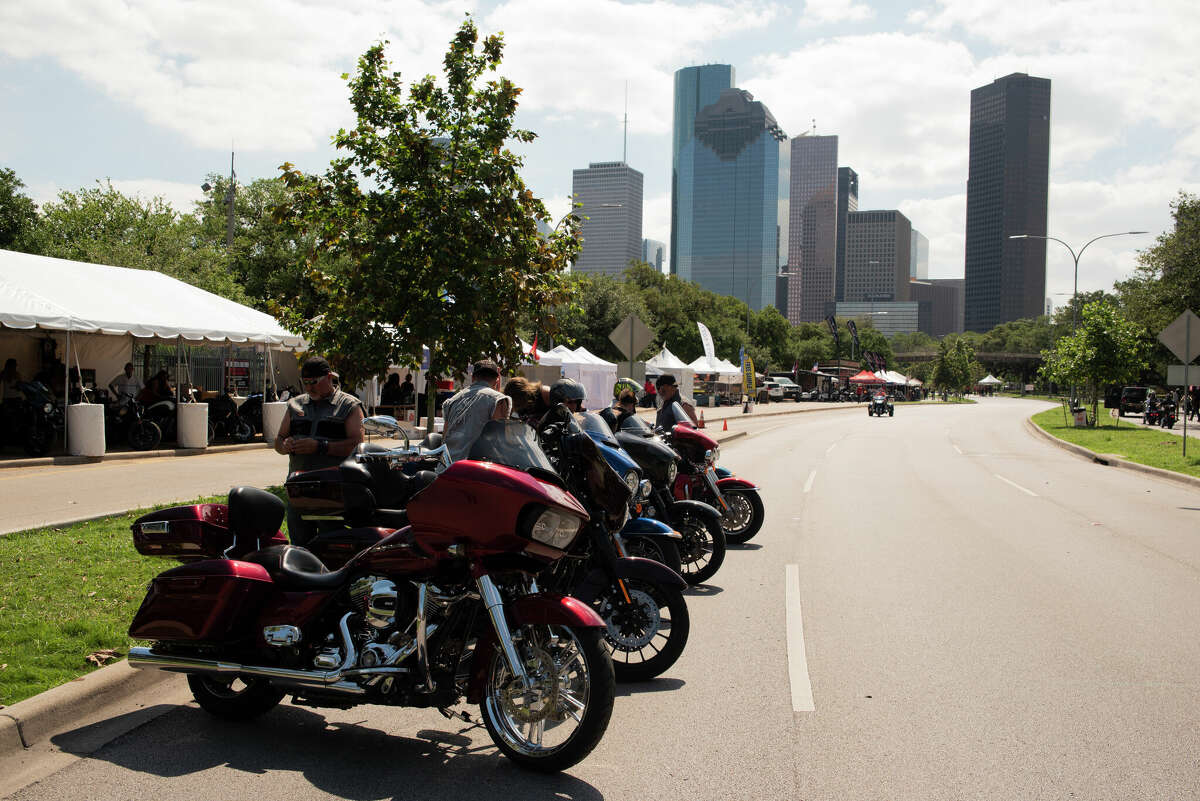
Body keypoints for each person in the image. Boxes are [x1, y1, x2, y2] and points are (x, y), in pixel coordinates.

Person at [274, 356, 365, 545]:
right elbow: (279, 438)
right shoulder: (295, 405)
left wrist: (321, 447)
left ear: (329, 377)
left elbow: (357, 445)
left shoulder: (348, 406)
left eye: (314, 382)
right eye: (305, 383)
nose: (309, 388)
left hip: (332, 493)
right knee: (299, 545)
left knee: (330, 545)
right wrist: (285, 446)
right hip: (299, 490)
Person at [441, 359, 511, 463]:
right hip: (474, 470)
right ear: (497, 381)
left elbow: (444, 437)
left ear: (473, 378)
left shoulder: (453, 400)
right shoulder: (497, 399)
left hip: (446, 468)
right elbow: (500, 440)